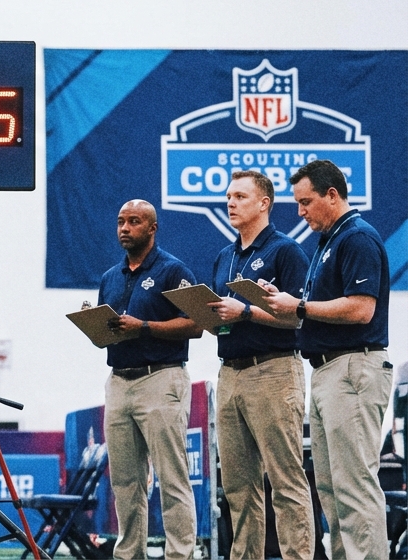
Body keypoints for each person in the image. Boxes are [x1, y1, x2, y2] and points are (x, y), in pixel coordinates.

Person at [264, 159, 394, 560]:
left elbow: (361, 309)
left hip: (353, 368)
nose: (300, 212)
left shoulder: (357, 238)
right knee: (332, 489)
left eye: (306, 202)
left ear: (332, 195)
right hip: (327, 371)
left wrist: (299, 306)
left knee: (354, 486)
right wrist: (277, 303)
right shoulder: (328, 243)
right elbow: (313, 309)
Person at [205, 172, 313, 560]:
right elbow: (225, 317)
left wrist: (246, 311)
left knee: (285, 480)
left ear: (264, 203)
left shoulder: (286, 251)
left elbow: (299, 319)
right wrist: (210, 316)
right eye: (228, 196)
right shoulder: (225, 256)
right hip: (230, 372)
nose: (230, 203)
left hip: (274, 371)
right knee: (238, 486)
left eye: (240, 196)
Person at [96, 201, 201, 560]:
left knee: (172, 478)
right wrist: (96, 327)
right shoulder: (110, 277)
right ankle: (129, 554)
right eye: (120, 222)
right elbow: (108, 332)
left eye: (134, 222)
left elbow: (196, 324)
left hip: (161, 378)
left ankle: (180, 555)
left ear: (152, 228)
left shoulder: (174, 271)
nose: (125, 228)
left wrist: (143, 327)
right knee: (125, 482)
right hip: (119, 381)